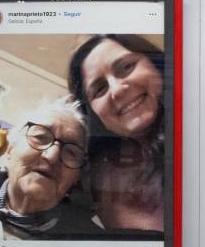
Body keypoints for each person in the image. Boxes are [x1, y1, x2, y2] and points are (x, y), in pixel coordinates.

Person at [68, 34, 165, 232]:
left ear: (156, 66)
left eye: (126, 67)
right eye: (99, 89)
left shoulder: (198, 135)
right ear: (92, 112)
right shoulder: (92, 174)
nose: (117, 89)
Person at [0, 99, 103, 240]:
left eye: (71, 152)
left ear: (76, 177)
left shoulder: (90, 243)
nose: (52, 156)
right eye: (40, 137)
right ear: (10, 148)